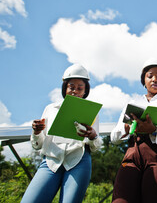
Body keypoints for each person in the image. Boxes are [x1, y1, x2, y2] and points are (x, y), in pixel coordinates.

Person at [21, 64, 102, 203]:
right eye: (71, 87)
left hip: (78, 161)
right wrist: (36, 132)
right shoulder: (51, 109)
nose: (75, 91)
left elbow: (96, 147)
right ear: (65, 88)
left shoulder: (91, 111)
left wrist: (93, 136)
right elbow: (37, 145)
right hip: (51, 160)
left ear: (85, 90)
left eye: (79, 88)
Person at [111, 58, 157, 203]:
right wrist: (125, 128)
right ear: (143, 80)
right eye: (150, 75)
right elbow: (114, 138)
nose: (154, 79)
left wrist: (154, 130)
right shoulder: (132, 103)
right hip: (133, 153)